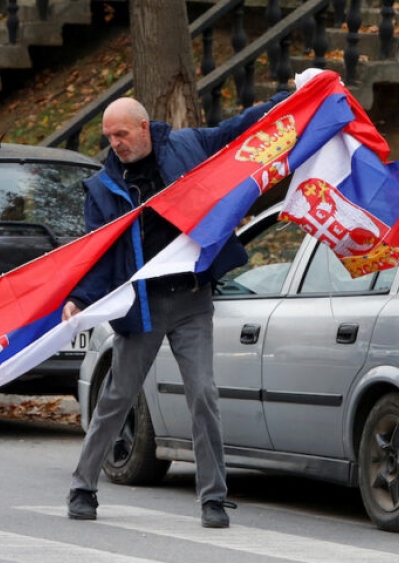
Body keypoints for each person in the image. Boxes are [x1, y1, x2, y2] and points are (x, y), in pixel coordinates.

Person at [61, 91, 288, 528]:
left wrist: (291, 99)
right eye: (109, 137)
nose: (116, 144)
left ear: (144, 128)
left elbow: (238, 127)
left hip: (192, 300)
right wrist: (80, 299)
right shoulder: (103, 187)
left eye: (122, 134)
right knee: (117, 396)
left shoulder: (186, 146)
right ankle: (82, 487)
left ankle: (213, 500)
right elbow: (98, 254)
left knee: (203, 394)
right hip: (142, 305)